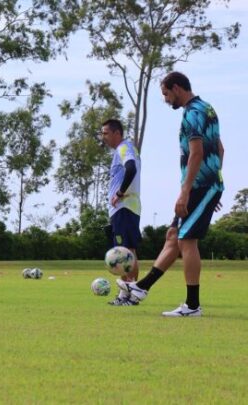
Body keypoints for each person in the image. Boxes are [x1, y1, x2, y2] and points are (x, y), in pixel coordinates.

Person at [118, 72, 224, 317]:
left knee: (187, 241)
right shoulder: (207, 109)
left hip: (199, 186)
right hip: (203, 185)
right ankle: (142, 287)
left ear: (177, 88)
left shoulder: (192, 113)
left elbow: (197, 153)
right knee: (173, 236)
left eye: (166, 94)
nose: (166, 99)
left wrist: (190, 190)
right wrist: (213, 183)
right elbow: (219, 148)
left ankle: (192, 306)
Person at [100, 119, 141, 306]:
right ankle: (129, 294)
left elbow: (130, 168)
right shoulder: (125, 149)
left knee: (125, 253)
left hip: (124, 207)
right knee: (128, 252)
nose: (103, 137)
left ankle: (128, 295)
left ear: (117, 133)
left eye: (106, 133)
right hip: (126, 208)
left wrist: (120, 192)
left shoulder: (124, 148)